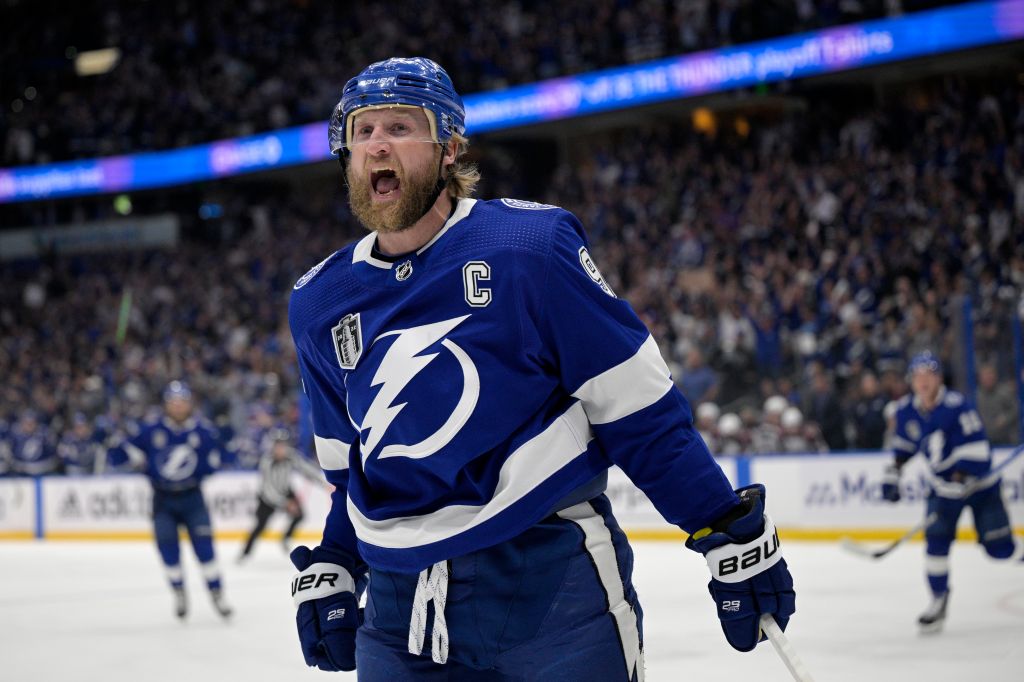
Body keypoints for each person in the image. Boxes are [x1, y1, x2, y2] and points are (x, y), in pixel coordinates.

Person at [286, 57, 795, 679]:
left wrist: (723, 527)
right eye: (363, 132)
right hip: (399, 614)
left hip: (550, 587)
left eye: (398, 127)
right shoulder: (318, 302)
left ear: (449, 147)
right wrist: (336, 562)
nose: (376, 145)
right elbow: (354, 471)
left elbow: (639, 414)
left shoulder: (531, 248)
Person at [881, 351, 1023, 633]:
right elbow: (903, 449)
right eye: (917, 375)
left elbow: (980, 451)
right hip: (943, 490)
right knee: (935, 544)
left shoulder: (959, 406)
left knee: (999, 548)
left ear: (938, 378)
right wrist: (893, 476)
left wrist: (962, 474)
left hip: (981, 488)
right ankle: (938, 601)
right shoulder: (906, 410)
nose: (923, 381)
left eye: (928, 374)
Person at [120, 381, 233, 620]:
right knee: (168, 551)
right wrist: (116, 442)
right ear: (166, 405)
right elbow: (125, 457)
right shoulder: (151, 431)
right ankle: (179, 591)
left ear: (189, 403)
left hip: (193, 498)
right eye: (174, 402)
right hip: (163, 500)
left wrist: (226, 439)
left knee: (205, 550)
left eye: (182, 401)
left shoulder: (203, 431)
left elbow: (219, 460)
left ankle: (217, 593)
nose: (178, 406)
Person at [238, 429, 328, 561]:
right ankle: (245, 553)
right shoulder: (267, 461)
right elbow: (269, 489)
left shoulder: (291, 456)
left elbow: (306, 468)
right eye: (278, 445)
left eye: (283, 445)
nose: (281, 448)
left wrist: (324, 483)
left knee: (300, 515)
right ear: (273, 446)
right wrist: (286, 503)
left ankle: (285, 538)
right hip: (267, 497)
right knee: (260, 526)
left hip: (286, 491)